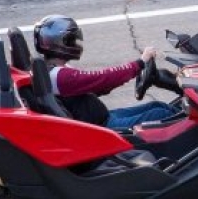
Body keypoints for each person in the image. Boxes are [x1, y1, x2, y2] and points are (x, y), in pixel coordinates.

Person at [33, 14, 179, 129]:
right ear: (60, 43)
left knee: (157, 106)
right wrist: (139, 64)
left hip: (104, 118)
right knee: (162, 114)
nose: (76, 44)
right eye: (72, 40)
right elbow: (101, 78)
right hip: (104, 128)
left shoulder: (52, 71)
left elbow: (96, 86)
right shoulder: (59, 76)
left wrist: (107, 86)